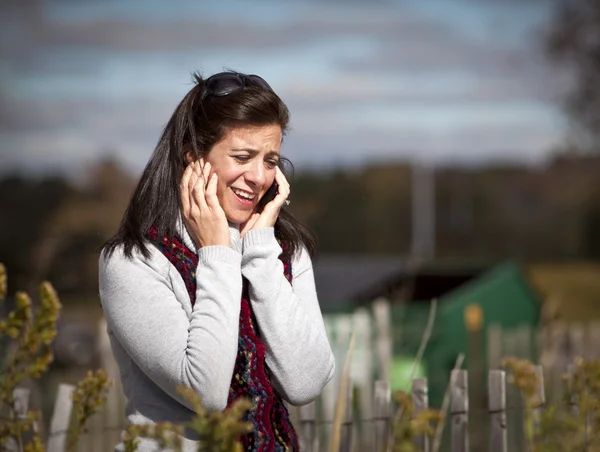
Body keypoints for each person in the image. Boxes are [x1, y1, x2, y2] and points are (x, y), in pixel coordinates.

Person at [99, 71, 336, 451]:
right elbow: (203, 391)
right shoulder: (134, 262)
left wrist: (259, 253)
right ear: (194, 156)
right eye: (243, 157)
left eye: (271, 159)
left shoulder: (282, 250)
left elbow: (305, 383)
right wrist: (218, 254)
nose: (259, 177)